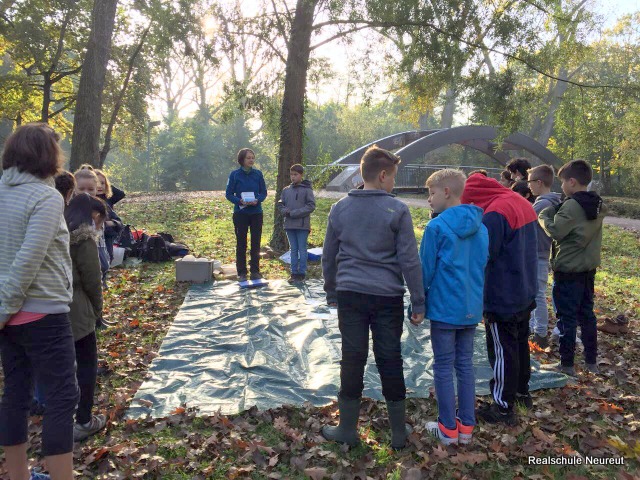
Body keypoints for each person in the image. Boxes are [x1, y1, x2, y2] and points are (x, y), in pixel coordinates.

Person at [321, 145, 425, 450]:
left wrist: (331, 291)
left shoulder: (340, 208)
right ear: (382, 176)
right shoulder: (398, 210)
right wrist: (418, 301)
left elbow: (329, 256)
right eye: (393, 177)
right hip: (387, 298)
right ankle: (397, 434)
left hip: (350, 294)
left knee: (352, 358)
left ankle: (347, 430)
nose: (393, 183)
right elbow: (409, 260)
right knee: (390, 357)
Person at [0, 123, 79, 480]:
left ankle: (19, 475)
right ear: (46, 155)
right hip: (42, 314)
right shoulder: (45, 197)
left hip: (9, 316)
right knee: (62, 397)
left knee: (16, 393)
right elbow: (27, 261)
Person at [417, 169, 488, 445]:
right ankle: (466, 427)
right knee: (466, 366)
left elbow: (425, 269)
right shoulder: (481, 227)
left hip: (446, 308)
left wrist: (418, 301)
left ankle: (447, 427)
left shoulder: (436, 227)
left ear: (446, 192)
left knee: (444, 366)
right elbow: (483, 263)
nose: (429, 200)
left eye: (431, 193)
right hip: (470, 307)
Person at [461, 173, 538, 425]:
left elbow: (483, 254)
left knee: (502, 350)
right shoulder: (520, 201)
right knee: (519, 344)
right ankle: (521, 393)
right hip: (524, 288)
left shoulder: (495, 213)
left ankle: (503, 407)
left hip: (502, 293)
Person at [538, 160, 606, 377]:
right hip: (588, 269)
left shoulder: (571, 205)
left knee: (565, 317)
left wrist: (544, 216)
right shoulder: (597, 204)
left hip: (568, 270)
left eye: (563, 182)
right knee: (587, 315)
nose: (561, 187)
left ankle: (566, 364)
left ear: (572, 182)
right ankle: (591, 361)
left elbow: (556, 231)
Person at [62, 194, 109, 441]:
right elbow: (93, 278)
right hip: (77, 308)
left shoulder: (58, 228)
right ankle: (83, 420)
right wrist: (98, 309)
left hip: (51, 305)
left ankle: (60, 420)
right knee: (87, 364)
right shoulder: (83, 238)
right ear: (93, 215)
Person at [526, 165, 562, 348]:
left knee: (537, 295)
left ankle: (539, 333)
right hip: (540, 254)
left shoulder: (542, 204)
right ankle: (535, 329)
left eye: (530, 181)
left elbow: (524, 223)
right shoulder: (550, 200)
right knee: (535, 294)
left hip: (538, 255)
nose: (528, 185)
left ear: (539, 182)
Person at [225, 148, 268, 282]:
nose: (251, 160)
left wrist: (258, 200)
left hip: (256, 213)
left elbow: (264, 192)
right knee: (241, 243)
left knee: (256, 243)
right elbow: (228, 194)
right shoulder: (234, 175)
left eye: (252, 158)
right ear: (242, 160)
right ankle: (242, 272)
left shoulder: (258, 174)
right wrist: (239, 201)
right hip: (240, 213)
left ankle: (255, 271)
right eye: (248, 158)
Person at [277, 164, 316, 283]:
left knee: (302, 249)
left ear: (301, 175)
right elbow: (280, 204)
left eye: (296, 174)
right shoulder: (286, 190)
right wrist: (285, 211)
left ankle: (302, 273)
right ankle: (294, 273)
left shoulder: (307, 190)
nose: (293, 177)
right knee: (293, 249)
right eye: (291, 174)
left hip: (302, 225)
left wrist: (295, 213)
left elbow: (311, 206)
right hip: (289, 225)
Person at [74, 169, 110, 281]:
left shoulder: (99, 208)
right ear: (74, 188)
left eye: (90, 189)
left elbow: (100, 239)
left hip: (100, 263)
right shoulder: (70, 211)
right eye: (81, 189)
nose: (86, 192)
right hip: (80, 267)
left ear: (96, 189)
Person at [92, 169, 123, 262]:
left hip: (106, 246)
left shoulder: (105, 203)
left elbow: (119, 223)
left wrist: (108, 224)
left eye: (102, 183)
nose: (100, 186)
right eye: (96, 182)